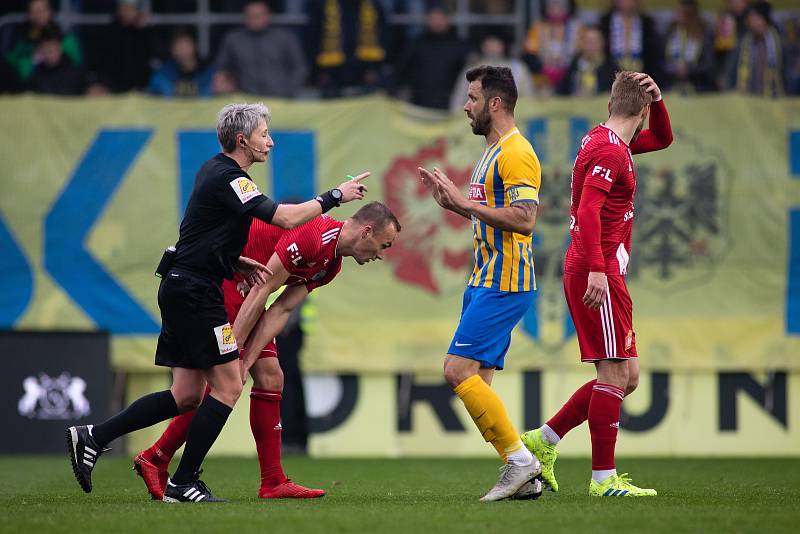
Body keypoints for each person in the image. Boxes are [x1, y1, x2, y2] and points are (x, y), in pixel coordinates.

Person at [67, 102, 370, 504]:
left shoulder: (221, 174)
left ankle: (95, 436)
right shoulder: (230, 177)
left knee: (186, 395)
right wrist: (336, 195)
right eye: (265, 134)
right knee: (229, 384)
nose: (271, 141)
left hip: (187, 284)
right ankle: (184, 479)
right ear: (243, 140)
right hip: (197, 291)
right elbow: (287, 219)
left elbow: (202, 232)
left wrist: (232, 259)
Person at [132, 202, 400, 500]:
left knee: (271, 377)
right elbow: (261, 289)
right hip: (225, 285)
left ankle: (272, 481)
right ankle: (157, 456)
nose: (381, 255)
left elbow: (281, 309)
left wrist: (246, 358)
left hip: (248, 294)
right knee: (224, 383)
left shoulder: (331, 264)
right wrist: (237, 354)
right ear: (366, 232)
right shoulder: (316, 234)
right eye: (383, 245)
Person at [520, 71, 672, 498]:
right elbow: (588, 212)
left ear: (610, 105)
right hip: (598, 271)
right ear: (639, 112)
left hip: (602, 269)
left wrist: (657, 102)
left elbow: (662, 140)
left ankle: (545, 439)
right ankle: (603, 479)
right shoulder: (609, 152)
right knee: (614, 372)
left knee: (628, 376)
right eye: (649, 109)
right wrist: (598, 270)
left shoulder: (606, 141)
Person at [418, 65, 542, 501]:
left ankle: (521, 461)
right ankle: (525, 475)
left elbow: (525, 220)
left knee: (456, 370)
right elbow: (490, 215)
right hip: (484, 278)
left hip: (505, 281)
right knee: (478, 386)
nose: (465, 107)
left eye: (471, 99)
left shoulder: (516, 152)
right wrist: (455, 205)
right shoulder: (491, 152)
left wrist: (463, 203)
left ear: (494, 103)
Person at [215, 0, 308, 97]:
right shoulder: (233, 39)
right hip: (245, 99)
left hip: (281, 98)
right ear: (245, 17)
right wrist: (226, 85)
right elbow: (222, 68)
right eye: (250, 16)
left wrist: (289, 91)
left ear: (267, 16)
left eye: (258, 16)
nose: (254, 19)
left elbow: (300, 68)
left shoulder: (285, 37)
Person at [4, 0, 82, 83]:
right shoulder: (22, 40)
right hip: (30, 88)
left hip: (62, 86)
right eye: (33, 12)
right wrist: (32, 60)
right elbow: (12, 64)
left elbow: (78, 69)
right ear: (28, 15)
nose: (38, 15)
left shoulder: (67, 40)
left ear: (50, 11)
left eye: (41, 11)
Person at [724, 0, 785, 97]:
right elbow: (729, 71)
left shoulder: (779, 43)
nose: (753, 23)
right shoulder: (742, 43)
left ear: (765, 20)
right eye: (751, 20)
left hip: (772, 99)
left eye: (756, 19)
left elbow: (785, 73)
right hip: (747, 100)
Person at [663, 0, 716, 94]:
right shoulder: (670, 32)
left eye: (679, 12)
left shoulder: (703, 34)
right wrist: (672, 69)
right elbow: (661, 60)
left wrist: (689, 70)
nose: (675, 14)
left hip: (698, 88)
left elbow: (708, 64)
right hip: (672, 87)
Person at [148, 29, 215, 98]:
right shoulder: (163, 73)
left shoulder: (208, 72)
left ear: (194, 45)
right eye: (178, 46)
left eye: (186, 45)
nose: (183, 50)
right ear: (172, 50)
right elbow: (153, 97)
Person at [556, 26, 619, 96]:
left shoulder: (611, 66)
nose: (592, 45)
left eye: (595, 41)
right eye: (588, 41)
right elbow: (562, 90)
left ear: (602, 43)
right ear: (582, 44)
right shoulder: (575, 63)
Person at [27, 26, 87, 95]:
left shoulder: (75, 73)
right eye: (45, 49)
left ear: (60, 48)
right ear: (40, 51)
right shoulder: (37, 76)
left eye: (52, 48)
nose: (49, 53)